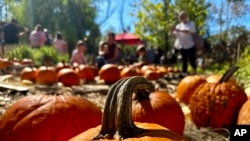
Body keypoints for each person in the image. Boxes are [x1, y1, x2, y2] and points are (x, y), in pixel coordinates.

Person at [171, 11, 197, 76]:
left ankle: (194, 72)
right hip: (182, 46)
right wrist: (171, 31)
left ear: (186, 17)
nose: (181, 18)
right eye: (180, 17)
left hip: (190, 45)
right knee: (184, 60)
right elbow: (175, 36)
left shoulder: (191, 23)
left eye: (183, 16)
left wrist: (178, 30)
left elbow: (190, 31)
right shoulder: (178, 26)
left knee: (192, 59)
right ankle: (184, 73)